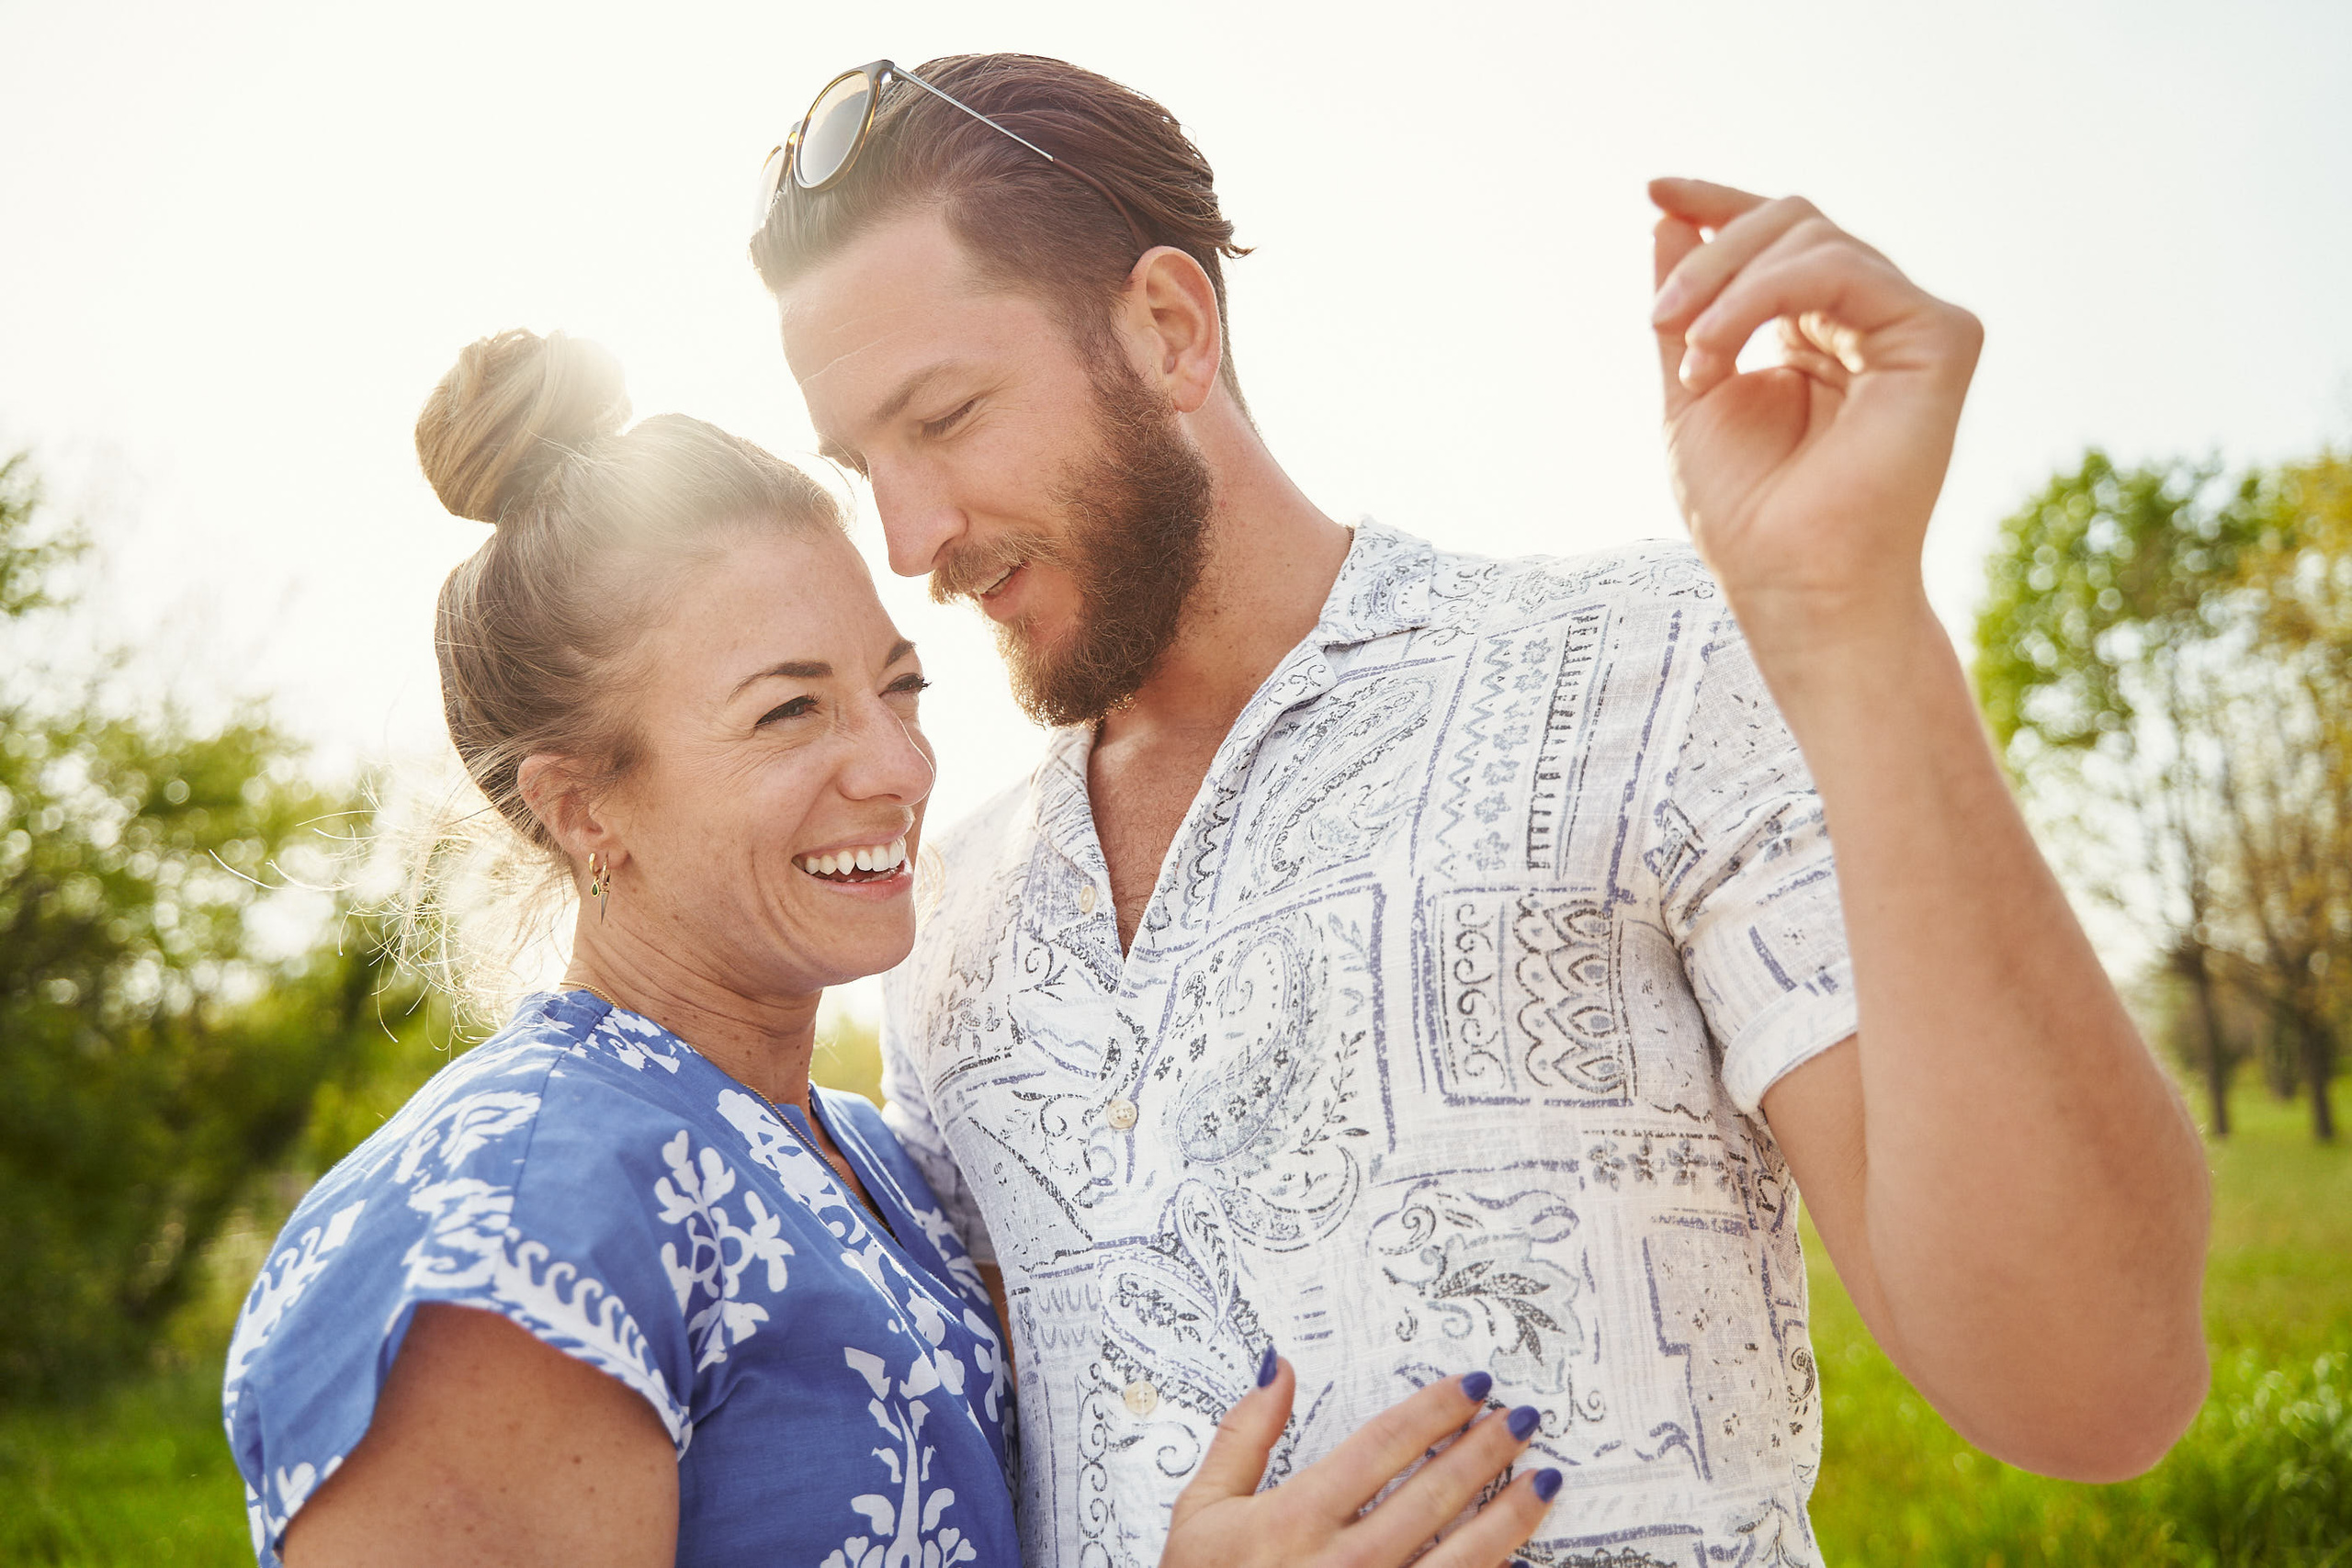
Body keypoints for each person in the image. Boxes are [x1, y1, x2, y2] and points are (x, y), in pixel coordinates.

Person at [748, 53, 2215, 1568]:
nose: (910, 538)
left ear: (1169, 329)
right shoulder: (944, 929)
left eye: (946, 417)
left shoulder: (1648, 669)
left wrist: (1858, 624)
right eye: (864, 464)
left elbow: (2098, 1390)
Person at [220, 329, 1563, 1567]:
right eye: (789, 712)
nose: (896, 765)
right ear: (586, 807)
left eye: (898, 686)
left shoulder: (874, 1166)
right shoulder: (505, 1231)